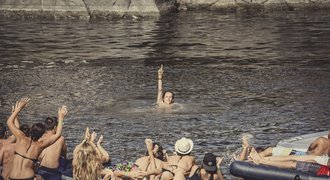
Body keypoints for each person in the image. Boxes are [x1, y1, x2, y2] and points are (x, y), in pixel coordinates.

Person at [7, 97, 68, 180]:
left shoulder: (21, 137)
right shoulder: (40, 145)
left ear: (31, 129)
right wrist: (61, 117)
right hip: (28, 177)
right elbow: (57, 135)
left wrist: (18, 109)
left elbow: (9, 122)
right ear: (42, 135)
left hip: (13, 177)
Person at [249, 147, 330, 176]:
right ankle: (260, 159)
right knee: (293, 158)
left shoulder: (321, 140)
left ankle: (261, 160)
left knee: (293, 163)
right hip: (324, 163)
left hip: (324, 169)